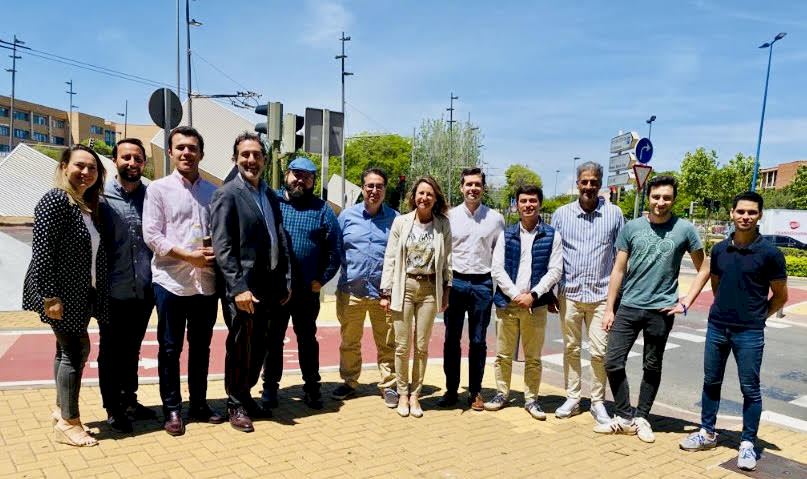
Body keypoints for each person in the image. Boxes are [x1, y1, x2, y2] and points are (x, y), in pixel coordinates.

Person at [595, 175, 710, 443]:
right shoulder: (632, 227)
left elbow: (704, 267)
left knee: (652, 365)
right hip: (628, 306)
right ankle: (624, 416)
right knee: (612, 361)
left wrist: (686, 301)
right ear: (648, 197)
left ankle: (642, 417)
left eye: (666, 197)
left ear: (674, 199)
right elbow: (618, 270)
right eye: (656, 197)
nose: (661, 202)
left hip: (661, 310)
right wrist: (610, 308)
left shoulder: (685, 229)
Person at [679, 191, 788, 471]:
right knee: (711, 381)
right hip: (717, 326)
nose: (745, 217)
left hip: (749, 332)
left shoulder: (771, 254)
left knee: (750, 389)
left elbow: (780, 296)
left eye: (751, 212)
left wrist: (757, 316)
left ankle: (748, 443)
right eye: (741, 211)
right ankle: (707, 432)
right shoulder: (719, 250)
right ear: (732, 213)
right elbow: (716, 284)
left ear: (760, 215)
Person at [23, 145, 109, 447]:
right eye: (79, 166)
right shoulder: (56, 200)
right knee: (75, 350)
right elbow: (42, 252)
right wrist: (50, 297)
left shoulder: (84, 204)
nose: (86, 172)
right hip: (61, 295)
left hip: (80, 293)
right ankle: (70, 423)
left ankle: (61, 411)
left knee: (65, 351)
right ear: (64, 167)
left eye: (92, 168)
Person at [143, 126, 223, 436]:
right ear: (171, 152)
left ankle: (199, 404)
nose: (186, 152)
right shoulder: (158, 189)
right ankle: (172, 409)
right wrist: (188, 256)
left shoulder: (213, 193)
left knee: (201, 348)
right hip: (170, 282)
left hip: (206, 283)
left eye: (192, 148)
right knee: (169, 349)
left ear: (201, 153)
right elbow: (152, 235)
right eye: (180, 148)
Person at [210, 133, 292, 432]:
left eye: (257, 154)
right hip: (243, 289)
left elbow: (279, 237)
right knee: (240, 347)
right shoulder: (227, 194)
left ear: (265, 160)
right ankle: (235, 404)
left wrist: (285, 280)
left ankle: (246, 395)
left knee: (260, 346)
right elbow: (223, 246)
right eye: (245, 154)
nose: (251, 160)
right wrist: (238, 288)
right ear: (235, 159)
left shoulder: (270, 195)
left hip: (269, 286)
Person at [262, 156, 342, 410]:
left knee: (307, 340)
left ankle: (312, 387)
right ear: (287, 175)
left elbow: (335, 249)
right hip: (276, 290)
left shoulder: (323, 210)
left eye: (307, 177)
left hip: (307, 291)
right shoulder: (271, 201)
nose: (300, 180)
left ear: (313, 181)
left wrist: (322, 279)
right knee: (272, 340)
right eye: (296, 174)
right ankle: (270, 388)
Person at [551, 162, 624, 424]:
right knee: (571, 348)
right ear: (578, 183)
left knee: (599, 351)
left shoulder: (614, 214)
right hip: (569, 294)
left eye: (594, 182)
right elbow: (553, 255)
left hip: (601, 296)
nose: (589, 187)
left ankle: (597, 401)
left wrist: (617, 299)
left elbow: (621, 256)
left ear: (600, 184)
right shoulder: (561, 214)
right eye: (585, 182)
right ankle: (572, 397)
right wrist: (550, 292)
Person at [485, 185, 561, 420]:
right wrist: (516, 295)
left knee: (533, 357)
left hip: (535, 306)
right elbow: (497, 269)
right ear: (516, 205)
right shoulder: (506, 235)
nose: (528, 205)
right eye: (523, 201)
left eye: (533, 201)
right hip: (508, 304)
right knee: (503, 354)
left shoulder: (552, 235)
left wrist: (533, 295)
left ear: (540, 203)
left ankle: (531, 399)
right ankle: (501, 393)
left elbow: (555, 270)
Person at [97, 138, 158, 433]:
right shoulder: (101, 198)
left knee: (133, 349)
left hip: (144, 290)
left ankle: (129, 400)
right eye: (126, 157)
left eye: (138, 158)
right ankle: (113, 407)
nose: (132, 163)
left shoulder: (152, 197)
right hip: (112, 290)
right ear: (115, 160)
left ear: (144, 162)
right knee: (111, 352)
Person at [380, 176, 452, 418]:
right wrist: (385, 292)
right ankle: (402, 393)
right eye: (421, 193)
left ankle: (415, 395)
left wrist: (447, 290)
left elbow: (448, 260)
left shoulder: (442, 224)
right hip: (404, 286)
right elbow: (390, 258)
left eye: (429, 194)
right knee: (402, 346)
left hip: (430, 288)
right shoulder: (401, 222)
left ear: (436, 198)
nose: (425, 198)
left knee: (421, 346)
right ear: (414, 196)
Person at [331, 168, 400, 407]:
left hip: (384, 295)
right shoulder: (346, 217)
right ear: (362, 188)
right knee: (349, 342)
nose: (374, 190)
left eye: (379, 186)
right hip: (351, 292)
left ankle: (389, 385)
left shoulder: (396, 219)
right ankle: (349, 382)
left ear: (385, 190)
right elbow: (335, 249)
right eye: (370, 185)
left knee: (387, 342)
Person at [439, 167, 504, 410]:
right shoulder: (449, 216)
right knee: (451, 339)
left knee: (478, 340)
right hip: (455, 282)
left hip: (482, 284)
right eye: (469, 184)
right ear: (461, 188)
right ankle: (451, 390)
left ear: (483, 188)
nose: (473, 188)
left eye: (477, 184)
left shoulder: (496, 219)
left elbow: (499, 255)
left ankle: (475, 391)